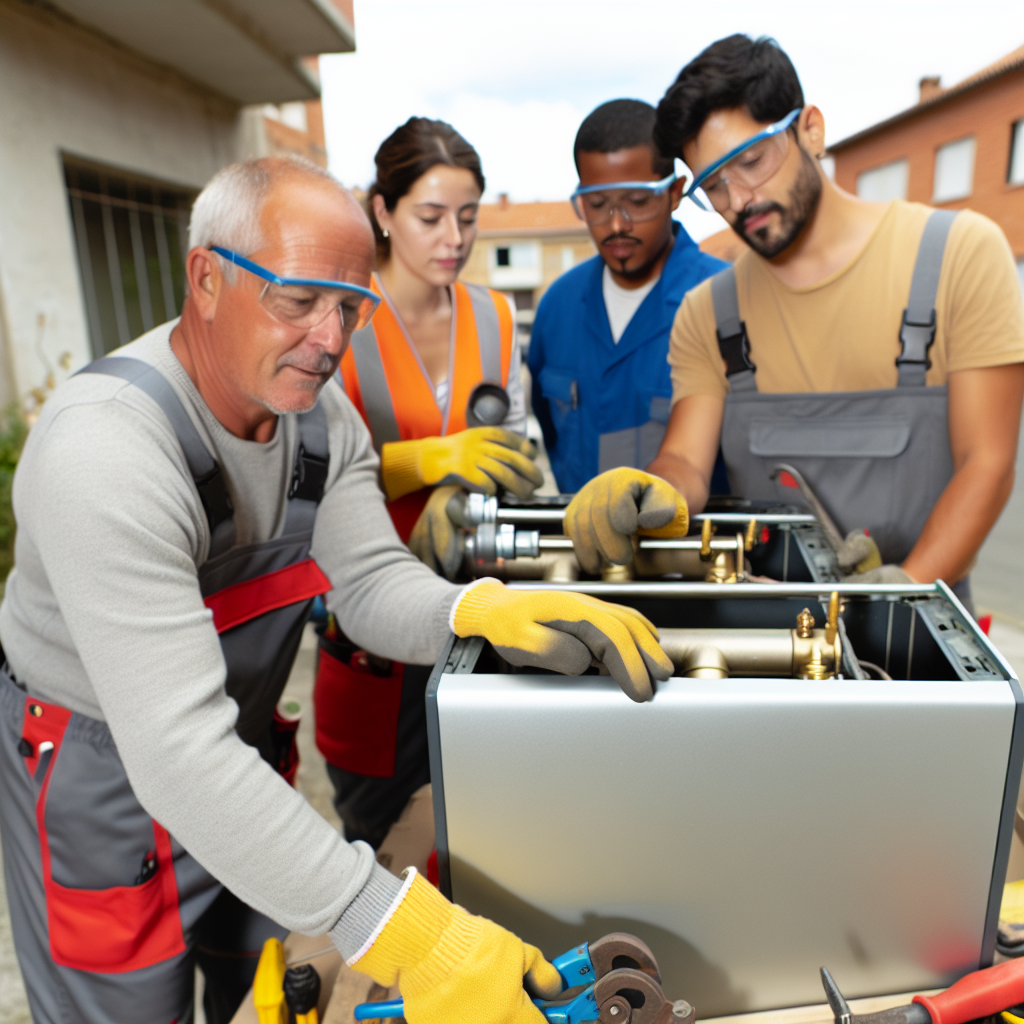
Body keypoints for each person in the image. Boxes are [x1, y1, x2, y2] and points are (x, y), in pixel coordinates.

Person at [0, 155, 671, 1024]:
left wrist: (473, 610)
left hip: (234, 752)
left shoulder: (316, 417)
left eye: (349, 307)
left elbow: (366, 582)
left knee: (271, 993)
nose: (330, 339)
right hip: (107, 788)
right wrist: (416, 937)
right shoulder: (106, 451)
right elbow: (173, 754)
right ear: (206, 278)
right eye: (298, 299)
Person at [565, 36, 1024, 601]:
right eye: (714, 184)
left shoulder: (957, 255)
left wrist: (900, 592)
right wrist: (644, 490)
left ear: (810, 129)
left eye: (752, 161)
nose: (738, 200)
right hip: (770, 633)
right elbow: (685, 460)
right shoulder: (708, 312)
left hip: (921, 632)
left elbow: (989, 463)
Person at [315, 118, 541, 853]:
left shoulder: (496, 317)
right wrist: (431, 460)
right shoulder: (335, 320)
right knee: (384, 846)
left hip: (481, 613)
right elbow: (304, 472)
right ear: (381, 212)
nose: (454, 237)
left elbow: (517, 444)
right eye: (431, 216)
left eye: (468, 218)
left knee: (488, 840)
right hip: (370, 634)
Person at [528, 99, 727, 494]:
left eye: (637, 202)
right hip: (578, 550)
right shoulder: (558, 307)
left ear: (674, 192)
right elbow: (549, 429)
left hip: (696, 551)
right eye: (597, 205)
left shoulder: (725, 300)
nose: (617, 224)